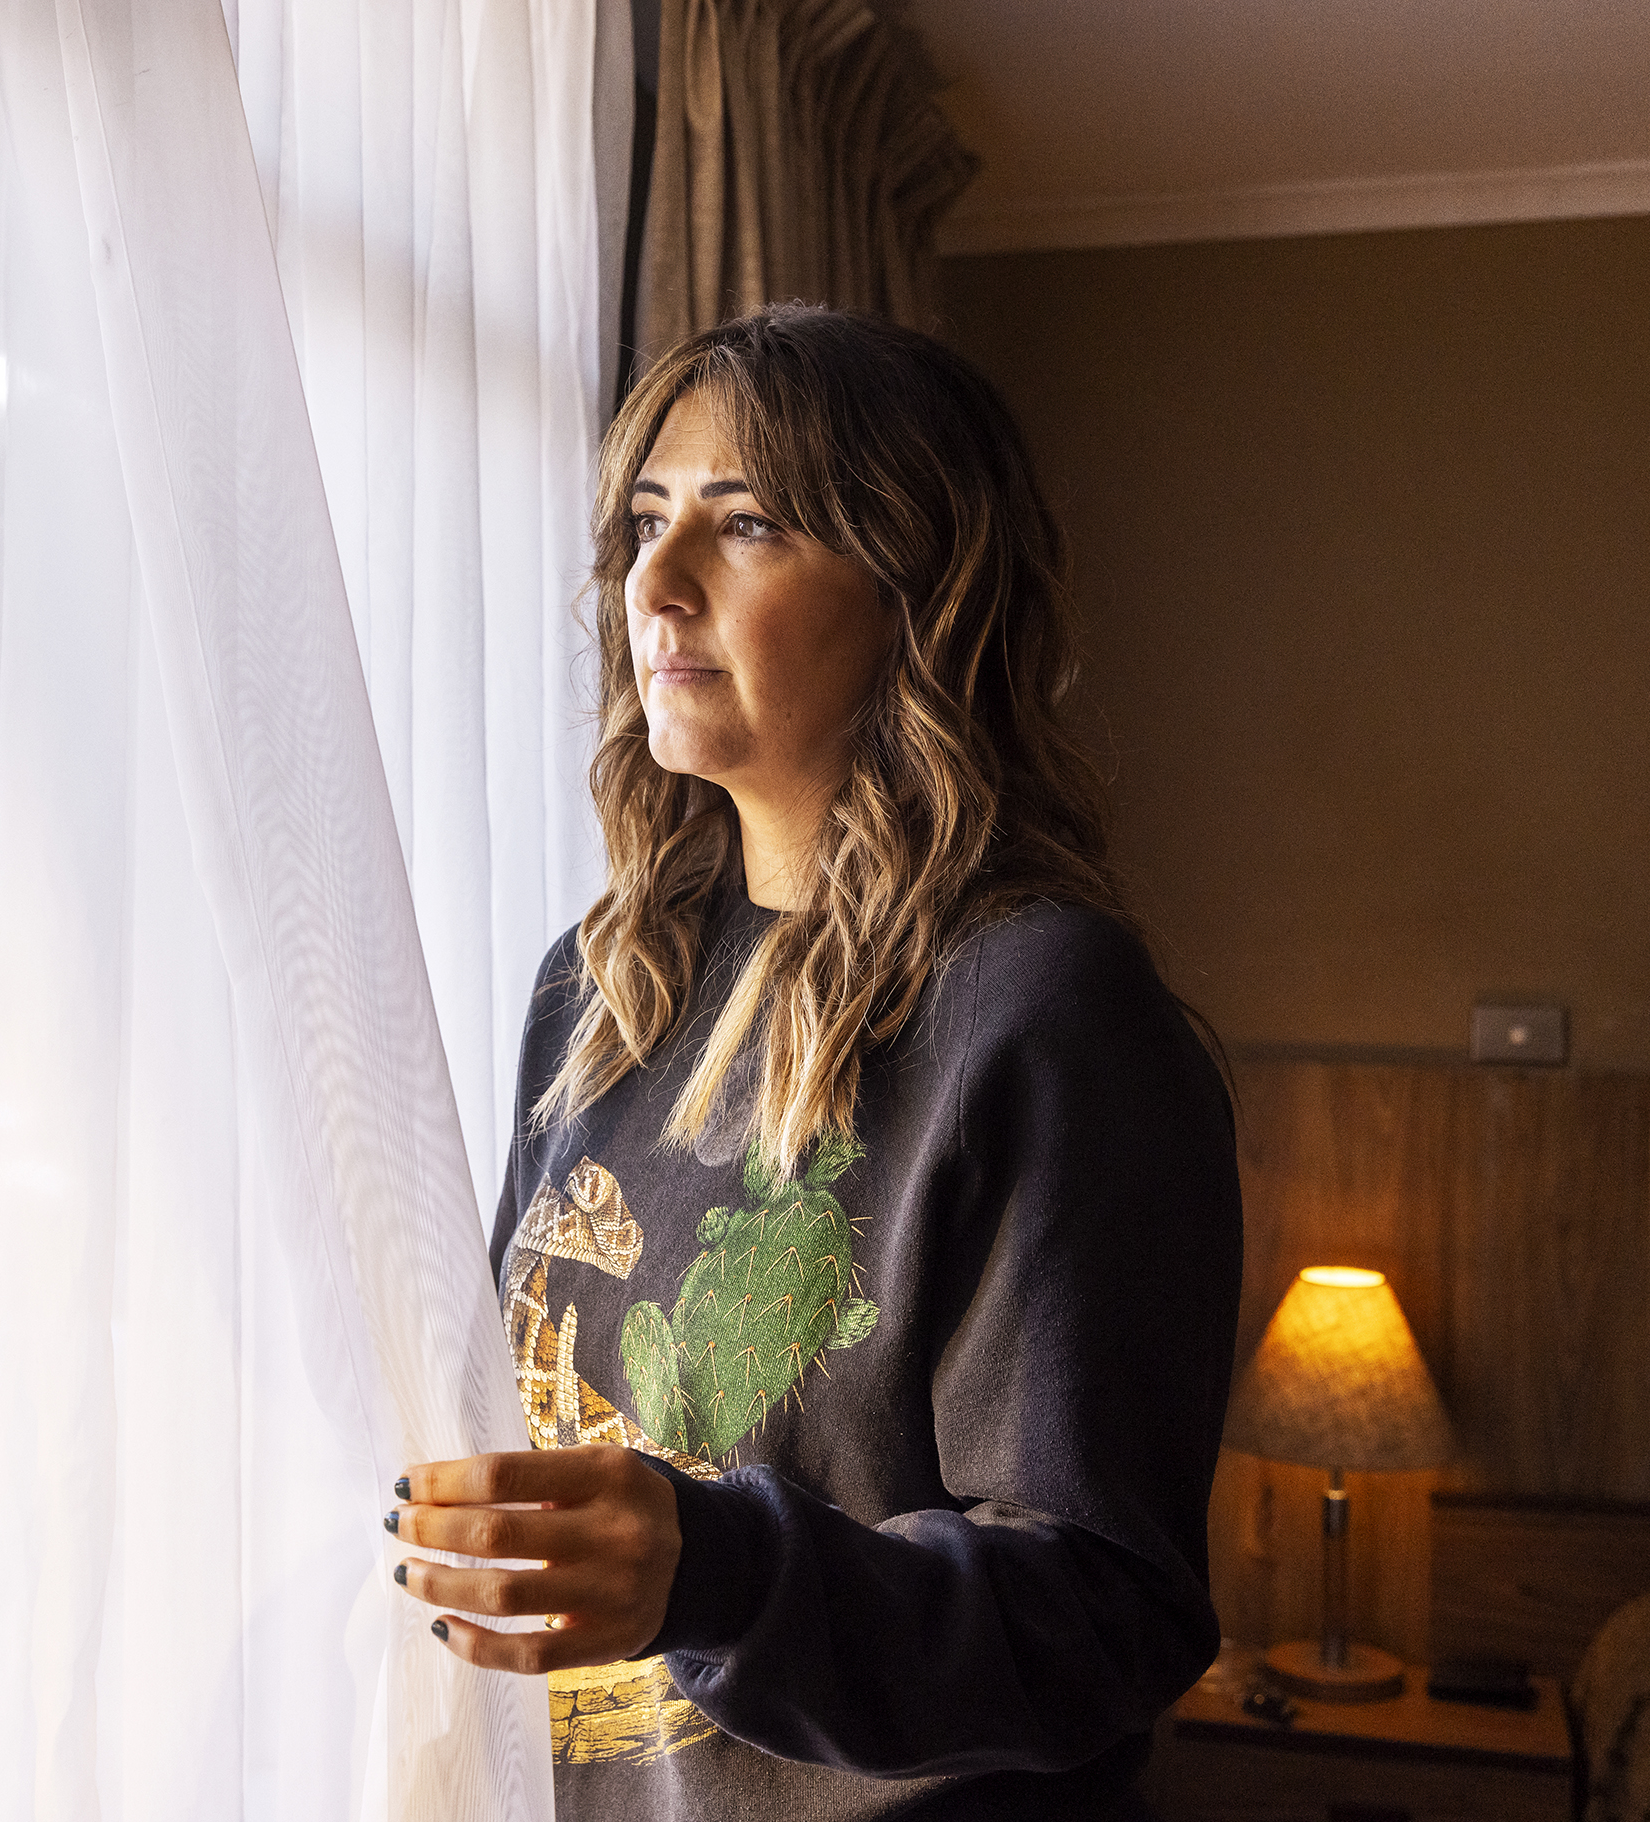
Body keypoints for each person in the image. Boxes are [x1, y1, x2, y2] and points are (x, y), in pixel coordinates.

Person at [385, 305, 1243, 1819]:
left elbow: (1110, 1615)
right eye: (646, 523)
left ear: (919, 590)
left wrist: (721, 1570)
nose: (656, 583)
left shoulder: (1041, 1012)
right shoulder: (598, 986)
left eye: (746, 524)